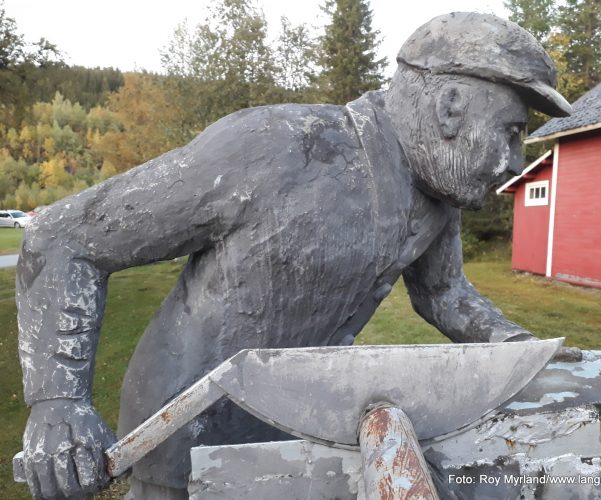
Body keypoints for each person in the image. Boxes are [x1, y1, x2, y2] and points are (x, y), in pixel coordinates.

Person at [17, 12, 572, 500]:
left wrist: (524, 352)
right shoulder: (274, 146)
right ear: (450, 106)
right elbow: (64, 239)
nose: (511, 161)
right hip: (183, 440)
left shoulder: (437, 199)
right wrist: (58, 405)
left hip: (301, 432)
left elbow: (445, 294)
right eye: (512, 132)